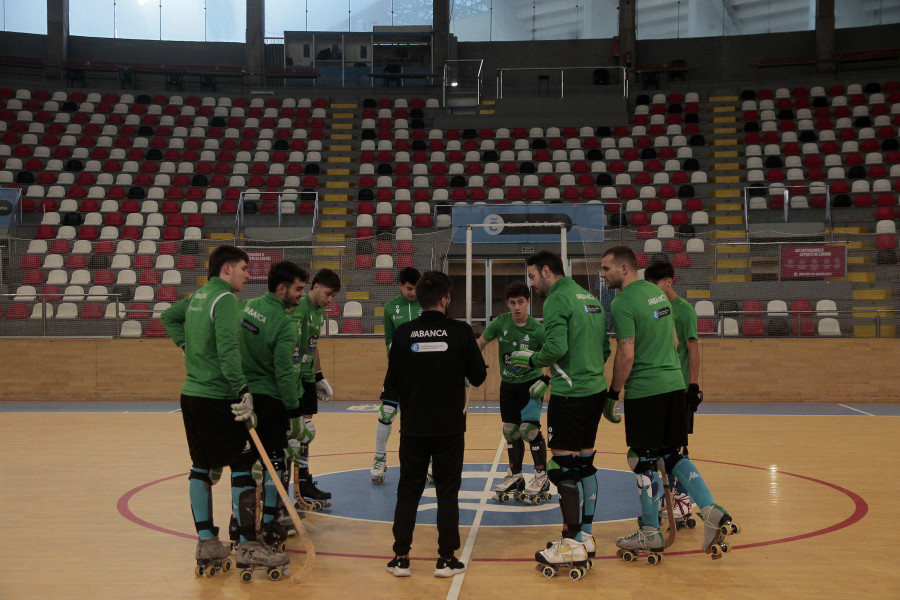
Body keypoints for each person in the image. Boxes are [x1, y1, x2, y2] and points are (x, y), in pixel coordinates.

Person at [600, 246, 735, 560]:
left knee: (641, 457)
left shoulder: (622, 302)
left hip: (646, 390)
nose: (602, 275)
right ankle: (712, 511)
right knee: (670, 454)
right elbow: (675, 342)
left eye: (606, 269)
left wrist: (612, 394)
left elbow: (626, 353)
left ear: (623, 268)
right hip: (674, 384)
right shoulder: (658, 296)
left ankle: (650, 531)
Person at [160, 245, 288, 573]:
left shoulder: (200, 297)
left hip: (191, 395)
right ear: (227, 269)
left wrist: (187, 344)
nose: (249, 274)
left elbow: (168, 317)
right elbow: (229, 349)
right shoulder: (226, 300)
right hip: (220, 396)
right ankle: (248, 546)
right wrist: (242, 390)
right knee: (243, 465)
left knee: (201, 467)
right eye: (244, 268)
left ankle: (207, 543)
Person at [509, 250, 618, 571]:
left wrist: (530, 359)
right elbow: (603, 349)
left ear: (546, 271)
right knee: (585, 465)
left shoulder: (557, 299)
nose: (531, 285)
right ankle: (585, 536)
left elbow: (556, 348)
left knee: (560, 469)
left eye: (531, 277)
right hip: (594, 391)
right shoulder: (590, 298)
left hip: (570, 396)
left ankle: (570, 543)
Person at [384, 271, 487, 578]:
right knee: (446, 492)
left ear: (422, 300)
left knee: (408, 491)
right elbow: (479, 377)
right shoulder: (460, 332)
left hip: (413, 428)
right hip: (450, 429)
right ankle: (446, 559)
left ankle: (401, 558)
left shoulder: (403, 334)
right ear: (445, 300)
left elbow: (392, 384)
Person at [237, 261, 308, 549]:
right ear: (282, 288)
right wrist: (293, 410)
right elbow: (283, 372)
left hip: (240, 397)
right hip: (269, 400)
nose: (301, 295)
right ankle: (268, 523)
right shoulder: (284, 324)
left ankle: (239, 524)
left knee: (243, 462)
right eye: (298, 289)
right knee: (275, 460)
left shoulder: (246, 307)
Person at [476, 281, 550, 502]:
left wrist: (546, 379)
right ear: (507, 304)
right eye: (512, 303)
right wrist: (468, 364)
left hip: (531, 385)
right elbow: (480, 343)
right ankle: (516, 476)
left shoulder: (538, 330)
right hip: (508, 386)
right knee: (511, 431)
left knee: (529, 430)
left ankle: (541, 476)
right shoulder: (500, 323)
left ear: (528, 302)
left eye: (521, 302)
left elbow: (558, 355)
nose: (517, 307)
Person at [643, 260, 703, 523]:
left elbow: (693, 348)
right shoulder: (657, 309)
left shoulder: (684, 310)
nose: (654, 289)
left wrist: (693, 385)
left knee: (679, 444)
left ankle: (684, 499)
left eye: (657, 284)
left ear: (670, 281)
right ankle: (670, 497)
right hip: (660, 387)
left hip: (679, 387)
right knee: (661, 445)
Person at [288, 267, 341, 505]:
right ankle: (286, 482)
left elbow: (313, 343)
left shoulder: (319, 313)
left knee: (306, 432)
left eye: (333, 297)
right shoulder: (298, 307)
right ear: (316, 286)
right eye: (328, 294)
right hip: (293, 377)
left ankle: (304, 481)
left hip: (308, 377)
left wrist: (319, 375)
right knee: (292, 434)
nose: (329, 301)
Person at [371, 267, 422, 484]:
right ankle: (379, 458)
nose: (413, 293)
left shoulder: (426, 304)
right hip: (398, 371)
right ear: (400, 286)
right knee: (387, 412)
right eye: (409, 288)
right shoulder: (390, 308)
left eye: (416, 289)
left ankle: (428, 461)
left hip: (423, 372)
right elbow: (388, 340)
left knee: (423, 416)